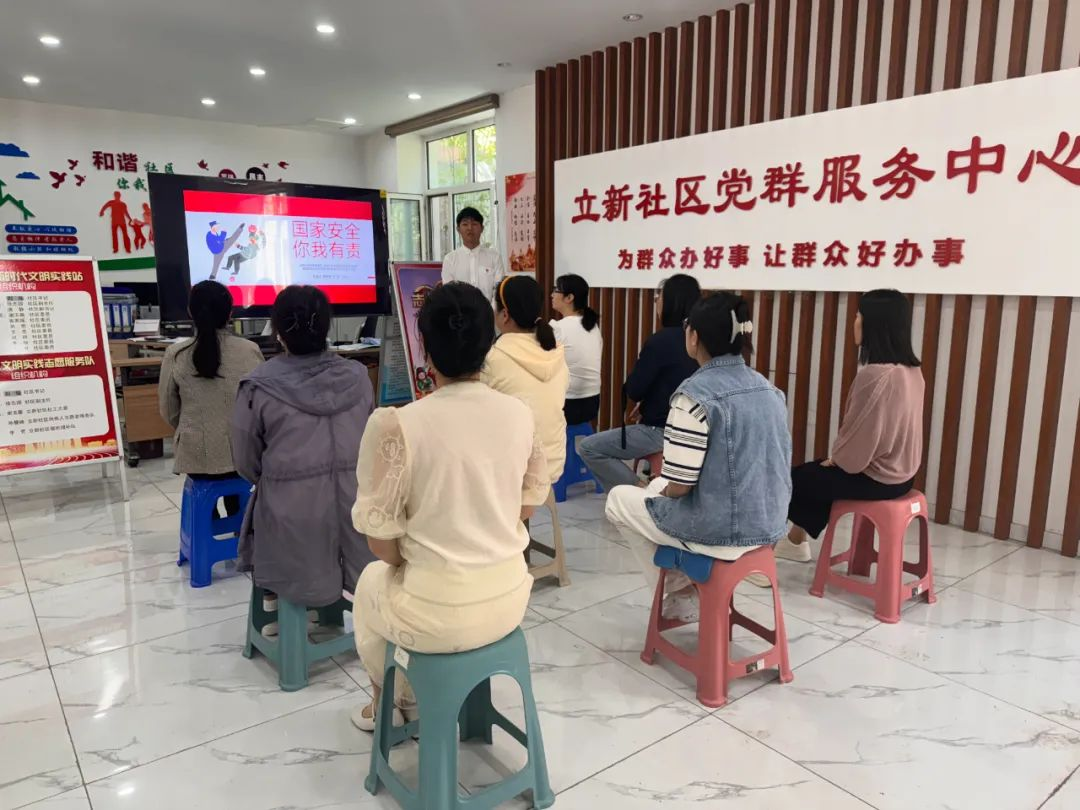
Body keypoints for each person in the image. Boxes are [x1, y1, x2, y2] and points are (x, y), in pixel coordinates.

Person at [349, 282, 550, 730]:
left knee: (370, 583)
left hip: (434, 612)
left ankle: (390, 703)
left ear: (425, 348)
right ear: (488, 342)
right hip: (510, 598)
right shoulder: (519, 414)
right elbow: (526, 507)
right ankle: (410, 697)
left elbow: (381, 543)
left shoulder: (399, 425)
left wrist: (423, 556)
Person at [605, 292, 792, 619]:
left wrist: (661, 492)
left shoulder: (694, 396)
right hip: (770, 523)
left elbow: (680, 486)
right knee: (655, 488)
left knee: (619, 500)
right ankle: (684, 587)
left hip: (719, 530)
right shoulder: (769, 389)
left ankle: (678, 594)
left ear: (694, 336)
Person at [231, 285, 375, 611]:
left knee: (262, 503)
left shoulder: (257, 386)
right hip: (358, 513)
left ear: (278, 332)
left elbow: (245, 462)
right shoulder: (359, 377)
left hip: (292, 521)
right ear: (326, 327)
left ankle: (277, 603)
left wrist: (277, 479)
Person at [773, 288, 924, 565]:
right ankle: (795, 540)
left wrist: (838, 459)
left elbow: (854, 452)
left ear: (873, 324)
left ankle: (770, 546)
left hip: (877, 480)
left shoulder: (874, 376)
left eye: (858, 316)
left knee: (797, 478)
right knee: (818, 474)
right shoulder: (912, 371)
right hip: (904, 476)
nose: (854, 322)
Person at [579, 274, 701, 492]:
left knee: (589, 447)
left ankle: (641, 490)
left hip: (661, 430)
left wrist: (643, 401)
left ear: (671, 302)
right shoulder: (703, 340)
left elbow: (635, 389)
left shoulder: (661, 341)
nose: (656, 302)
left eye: (658, 297)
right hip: (695, 430)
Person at [158, 280, 263, 518]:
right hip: (244, 456)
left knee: (205, 509)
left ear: (190, 312)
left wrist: (191, 426)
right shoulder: (249, 350)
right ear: (230, 313)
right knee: (239, 499)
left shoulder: (176, 354)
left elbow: (168, 410)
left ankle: (209, 528)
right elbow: (260, 404)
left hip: (196, 458)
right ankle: (241, 529)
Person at [482, 275, 569, 484]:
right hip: (552, 465)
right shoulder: (556, 354)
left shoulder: (493, 358)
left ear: (505, 315)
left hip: (512, 472)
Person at [550, 273, 602, 426]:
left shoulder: (558, 327)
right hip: (593, 401)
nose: (551, 295)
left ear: (569, 298)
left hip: (568, 403)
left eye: (556, 290)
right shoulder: (593, 327)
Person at [440, 206, 505, 304]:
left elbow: (498, 291)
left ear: (482, 228)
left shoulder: (495, 257)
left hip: (489, 312)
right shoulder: (450, 259)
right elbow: (449, 293)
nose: (470, 228)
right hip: (460, 312)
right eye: (465, 224)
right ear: (458, 229)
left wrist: (490, 312)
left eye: (474, 224)